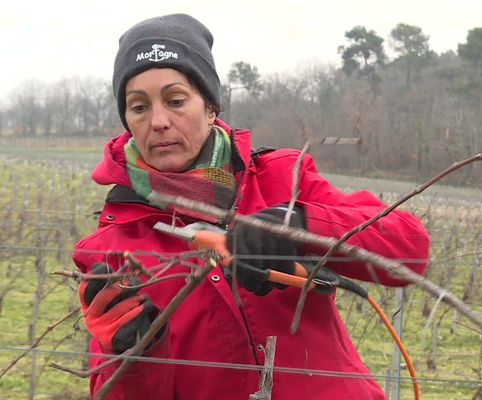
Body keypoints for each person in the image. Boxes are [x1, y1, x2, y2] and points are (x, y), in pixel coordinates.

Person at [73, 13, 430, 400]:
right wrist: (135, 353)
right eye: (139, 106)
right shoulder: (112, 246)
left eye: (176, 100)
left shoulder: (282, 178)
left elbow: (411, 251)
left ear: (210, 106)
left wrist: (299, 224)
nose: (158, 121)